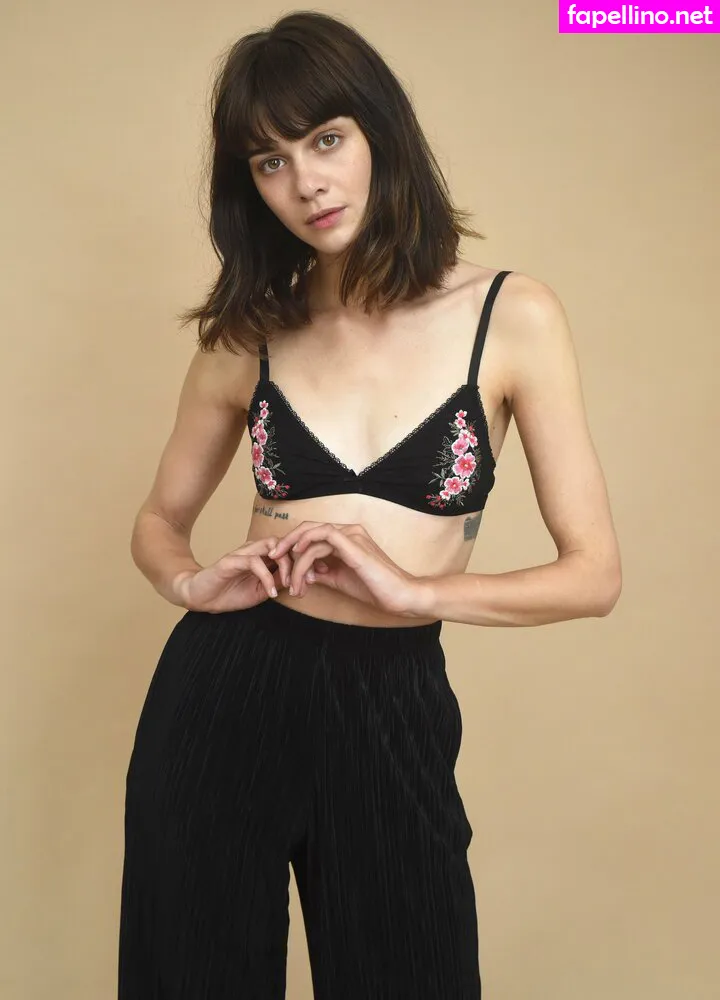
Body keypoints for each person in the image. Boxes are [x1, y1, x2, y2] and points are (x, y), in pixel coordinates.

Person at [118, 10, 622, 999]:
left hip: (391, 699)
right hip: (225, 687)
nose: (304, 182)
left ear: (380, 133)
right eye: (269, 161)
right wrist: (188, 581)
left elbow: (594, 576)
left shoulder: (510, 316)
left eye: (325, 139)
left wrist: (413, 591)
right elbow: (157, 520)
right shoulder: (250, 333)